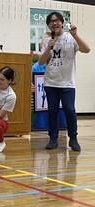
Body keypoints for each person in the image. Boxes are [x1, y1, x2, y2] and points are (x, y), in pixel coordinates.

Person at [38, 11, 90, 151]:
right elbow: (41, 62)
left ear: (62, 22)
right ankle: (53, 138)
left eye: (56, 20)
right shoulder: (46, 40)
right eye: (51, 21)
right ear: (48, 25)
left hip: (67, 82)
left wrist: (75, 35)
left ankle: (73, 138)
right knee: (52, 111)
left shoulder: (70, 37)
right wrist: (49, 47)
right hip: (51, 82)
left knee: (70, 110)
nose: (54, 23)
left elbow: (87, 49)